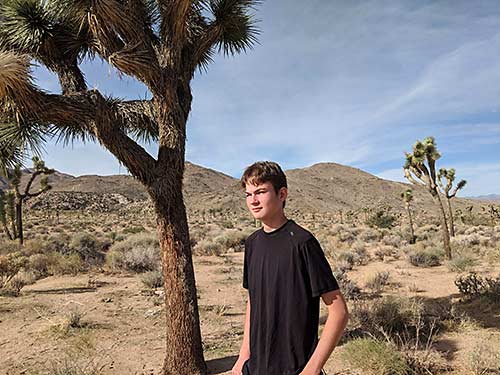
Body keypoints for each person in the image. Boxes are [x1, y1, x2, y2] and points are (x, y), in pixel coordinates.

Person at [231, 161, 349, 375]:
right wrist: (243, 357)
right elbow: (253, 301)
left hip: (295, 369)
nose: (253, 201)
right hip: (256, 367)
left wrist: (312, 370)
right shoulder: (252, 243)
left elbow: (338, 311)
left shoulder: (303, 242)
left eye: (260, 192)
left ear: (282, 194)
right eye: (248, 194)